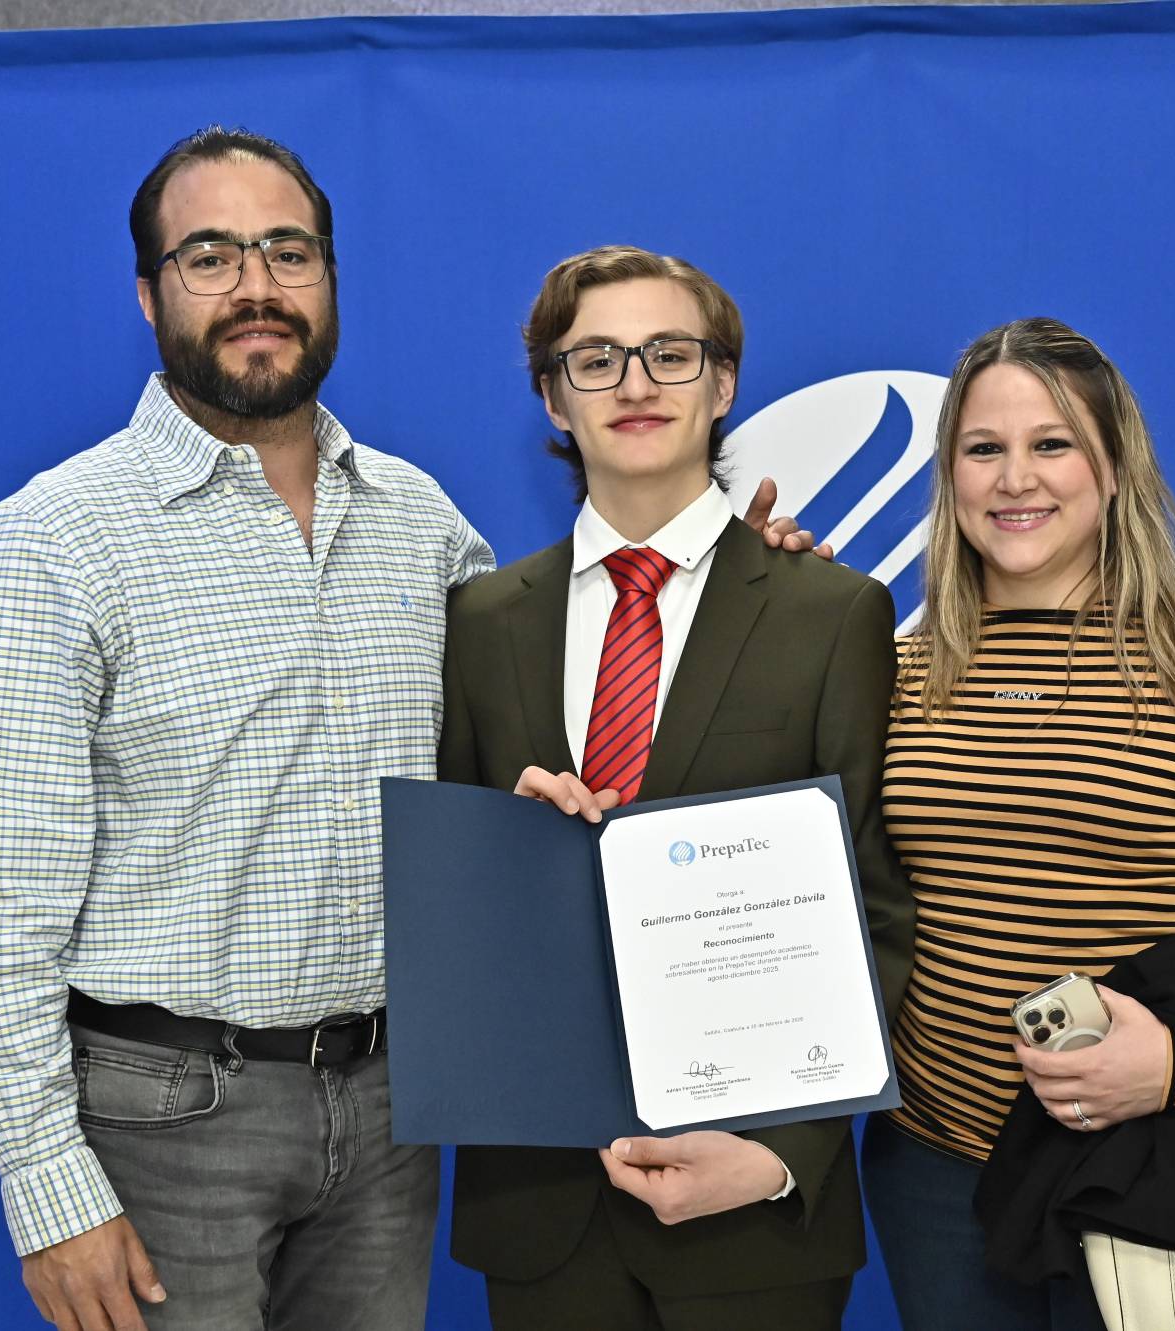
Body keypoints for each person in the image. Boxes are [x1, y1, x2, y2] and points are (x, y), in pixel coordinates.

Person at [0, 133, 812, 1331]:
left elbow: (548, 739)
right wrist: (47, 1187)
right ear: (147, 294)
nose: (255, 284)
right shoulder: (52, 541)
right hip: (166, 1117)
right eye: (209, 255)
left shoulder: (420, 521)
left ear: (328, 279)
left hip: (395, 1104)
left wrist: (743, 586)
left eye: (286, 251)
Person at [438, 244, 915, 1330]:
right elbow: (454, 912)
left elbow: (874, 909)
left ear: (722, 382)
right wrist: (502, 859)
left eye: (669, 352)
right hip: (542, 1204)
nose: (637, 383)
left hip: (754, 1207)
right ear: (552, 400)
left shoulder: (833, 614)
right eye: (596, 359)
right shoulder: (481, 621)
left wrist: (781, 1155)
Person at [860, 317, 1175, 1329]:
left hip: (1149, 1160)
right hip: (932, 1164)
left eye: (1052, 444)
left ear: (1113, 467)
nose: (1013, 478)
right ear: (948, 476)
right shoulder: (894, 675)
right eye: (982, 449)